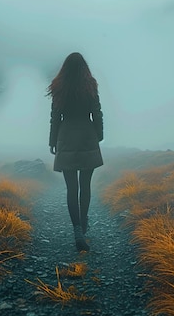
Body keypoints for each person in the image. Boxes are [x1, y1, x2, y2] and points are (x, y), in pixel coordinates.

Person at [47, 52, 104, 252]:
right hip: (87, 136)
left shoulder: (59, 87)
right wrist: (99, 134)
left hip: (66, 137)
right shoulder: (90, 84)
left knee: (72, 188)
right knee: (85, 185)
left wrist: (52, 141)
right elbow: (97, 112)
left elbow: (55, 116)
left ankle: (77, 230)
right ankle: (84, 219)